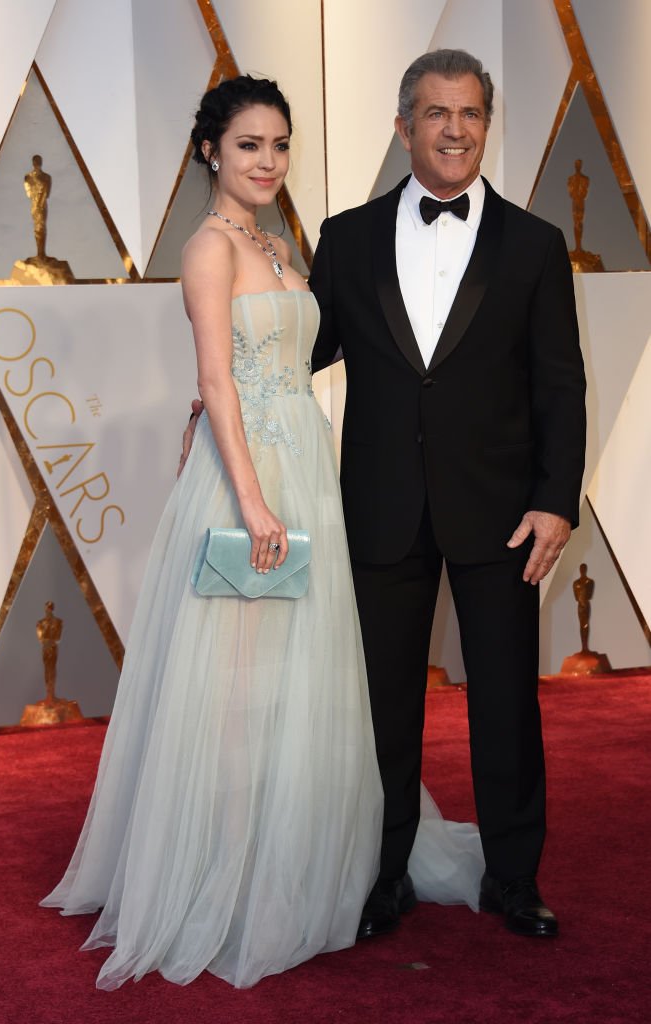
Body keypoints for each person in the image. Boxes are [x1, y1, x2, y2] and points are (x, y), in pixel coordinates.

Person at [41, 75, 480, 990]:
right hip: (249, 488)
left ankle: (298, 865)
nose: (268, 161)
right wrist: (249, 498)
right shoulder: (210, 249)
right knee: (237, 693)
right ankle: (228, 884)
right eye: (249, 145)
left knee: (298, 683)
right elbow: (220, 379)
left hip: (306, 472)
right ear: (211, 151)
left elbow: (290, 358)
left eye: (279, 145)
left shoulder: (277, 243)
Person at [308, 49, 586, 941]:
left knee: (506, 701)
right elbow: (302, 350)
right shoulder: (344, 237)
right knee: (382, 703)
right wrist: (228, 379)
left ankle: (513, 877)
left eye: (469, 114)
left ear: (485, 125)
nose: (455, 130)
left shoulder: (535, 244)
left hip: (503, 513)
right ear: (403, 127)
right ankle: (381, 874)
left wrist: (556, 499)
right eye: (436, 114)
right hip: (380, 504)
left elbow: (560, 386)